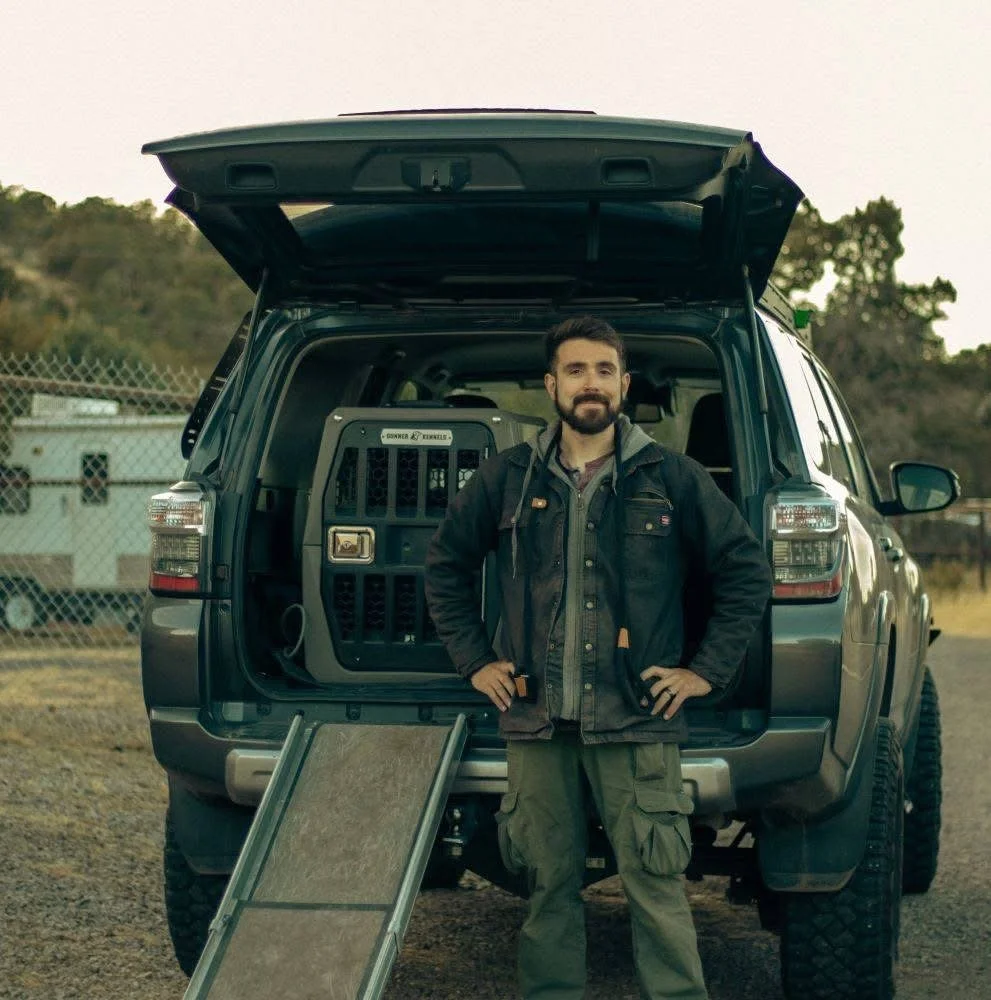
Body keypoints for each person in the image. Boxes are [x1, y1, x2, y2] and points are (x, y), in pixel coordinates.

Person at [424, 316, 772, 1000]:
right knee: (546, 890)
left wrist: (703, 671)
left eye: (605, 371)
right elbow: (445, 565)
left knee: (655, 889)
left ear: (624, 384)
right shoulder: (509, 478)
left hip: (636, 721)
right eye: (577, 370)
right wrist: (474, 661)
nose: (592, 384)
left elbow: (744, 572)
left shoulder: (671, 477)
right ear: (551, 384)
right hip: (534, 718)